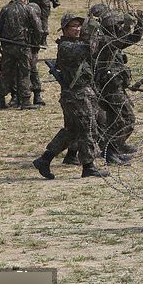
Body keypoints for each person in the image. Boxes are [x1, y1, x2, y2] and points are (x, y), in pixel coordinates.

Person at [32, 14, 110, 179]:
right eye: (73, 26)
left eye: (79, 26)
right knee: (88, 128)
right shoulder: (67, 47)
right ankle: (88, 167)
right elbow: (89, 48)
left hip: (81, 94)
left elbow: (98, 46)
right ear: (65, 30)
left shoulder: (76, 43)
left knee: (72, 131)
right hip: (76, 95)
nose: (77, 29)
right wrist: (92, 29)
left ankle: (44, 159)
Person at [93, 9, 143, 163]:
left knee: (117, 121)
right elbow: (125, 39)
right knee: (126, 120)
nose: (122, 27)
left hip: (114, 86)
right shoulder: (104, 41)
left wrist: (139, 23)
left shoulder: (108, 40)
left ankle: (113, 150)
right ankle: (110, 152)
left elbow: (131, 38)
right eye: (119, 25)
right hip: (109, 88)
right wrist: (129, 26)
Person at [0, 0, 42, 110]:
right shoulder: (28, 9)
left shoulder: (5, 9)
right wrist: (35, 45)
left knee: (5, 73)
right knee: (25, 73)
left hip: (7, 47)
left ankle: (1, 100)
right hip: (23, 47)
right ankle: (25, 101)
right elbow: (38, 29)